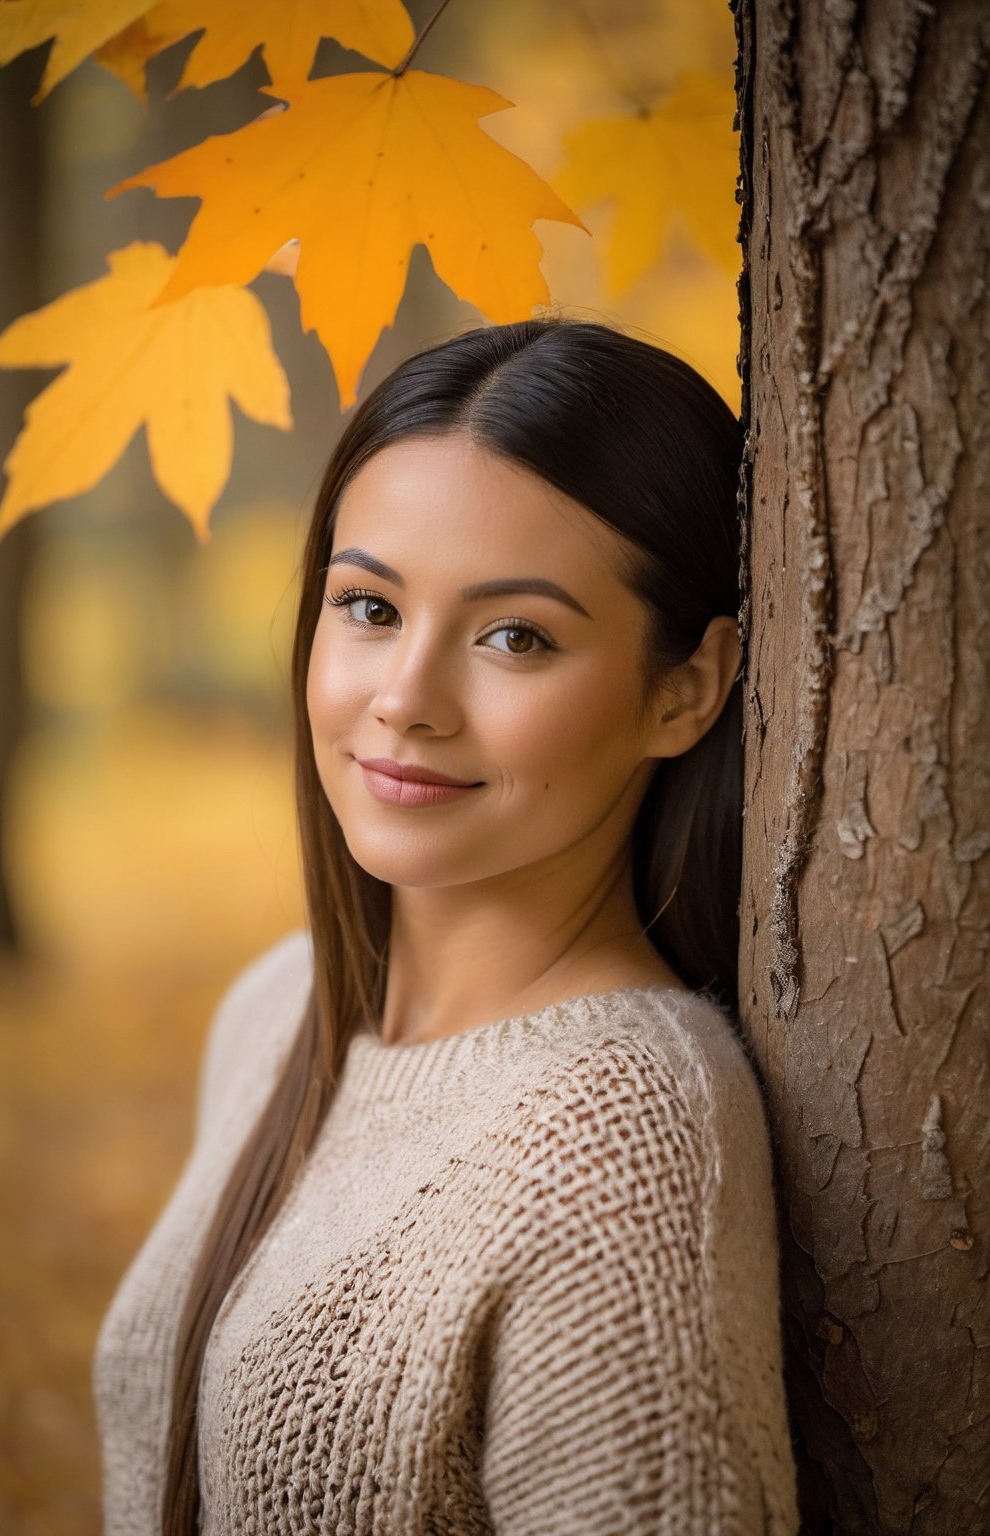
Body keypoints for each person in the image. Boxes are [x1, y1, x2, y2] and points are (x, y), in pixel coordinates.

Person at [94, 318, 799, 1535]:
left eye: (514, 635)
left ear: (683, 690)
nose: (405, 700)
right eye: (368, 607)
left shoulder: (623, 1134)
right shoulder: (278, 1006)